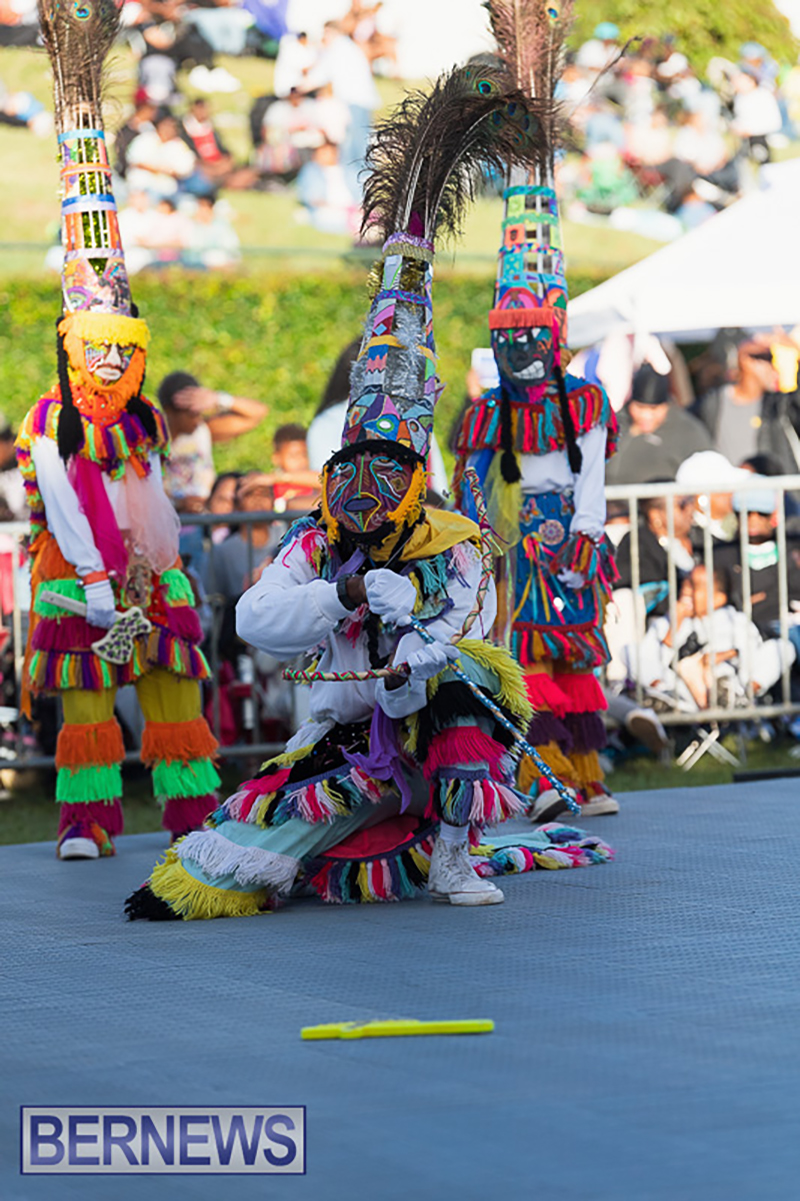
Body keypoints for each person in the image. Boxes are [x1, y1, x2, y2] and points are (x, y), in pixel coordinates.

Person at [126, 63, 612, 920]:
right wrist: (343, 591)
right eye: (353, 464)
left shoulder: (455, 545)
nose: (365, 484)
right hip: (346, 746)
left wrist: (412, 637)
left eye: (388, 468)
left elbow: (464, 641)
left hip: (429, 743)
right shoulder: (314, 539)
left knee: (467, 682)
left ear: (415, 475)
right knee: (231, 858)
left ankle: (457, 854)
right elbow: (253, 618)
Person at [15, 0, 218, 861]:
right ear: (72, 346)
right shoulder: (50, 420)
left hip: (154, 567)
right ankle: (86, 825)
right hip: (81, 572)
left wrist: (150, 566)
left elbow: (152, 494)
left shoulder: (142, 419)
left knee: (175, 694)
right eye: (93, 349)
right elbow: (65, 497)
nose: (105, 364)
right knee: (89, 707)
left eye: (118, 350)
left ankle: (192, 818)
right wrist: (99, 579)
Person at [454, 1, 620, 824]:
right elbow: (472, 477)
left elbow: (594, 463)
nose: (522, 354)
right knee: (523, 654)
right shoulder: (489, 411)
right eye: (509, 340)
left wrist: (585, 532)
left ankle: (585, 775)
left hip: (568, 535)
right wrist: (482, 533)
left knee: (574, 653)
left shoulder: (580, 397)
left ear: (552, 339)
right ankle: (540, 777)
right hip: (518, 541)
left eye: (533, 339)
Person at [624, 563, 794, 709]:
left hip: (729, 683)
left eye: (695, 586)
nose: (686, 591)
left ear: (718, 598)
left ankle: (737, 699)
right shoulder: (668, 620)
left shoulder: (733, 619)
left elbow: (748, 655)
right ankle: (663, 702)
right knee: (630, 651)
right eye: (685, 583)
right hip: (681, 690)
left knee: (782, 647)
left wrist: (710, 659)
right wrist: (673, 629)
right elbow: (651, 661)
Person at [692, 335, 800, 481]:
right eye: (766, 358)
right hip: (728, 497)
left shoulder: (778, 405)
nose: (774, 368)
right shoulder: (711, 404)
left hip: (772, 495)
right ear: (745, 360)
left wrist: (795, 347)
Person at [158, 372, 267, 512]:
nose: (197, 420)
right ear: (169, 411)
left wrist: (218, 398)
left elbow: (258, 413)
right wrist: (179, 503)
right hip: (167, 518)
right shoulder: (150, 441)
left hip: (205, 518)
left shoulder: (203, 430)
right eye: (191, 414)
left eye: (199, 413)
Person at [606, 363, 712, 485]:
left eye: (654, 409)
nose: (645, 416)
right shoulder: (614, 425)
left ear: (666, 406)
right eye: (639, 407)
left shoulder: (687, 431)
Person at [270, 424, 319, 512]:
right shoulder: (270, 488)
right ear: (276, 458)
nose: (301, 461)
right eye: (293, 456)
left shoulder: (314, 485)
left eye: (304, 455)